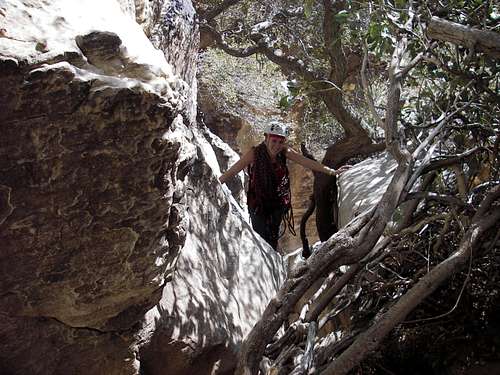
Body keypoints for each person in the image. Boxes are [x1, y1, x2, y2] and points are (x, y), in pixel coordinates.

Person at [219, 122, 350, 251]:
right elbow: (234, 170)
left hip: (277, 205)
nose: (277, 145)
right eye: (274, 140)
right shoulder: (255, 153)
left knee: (272, 239)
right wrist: (218, 182)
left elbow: (306, 162)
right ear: (266, 138)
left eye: (280, 142)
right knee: (260, 238)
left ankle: (271, 266)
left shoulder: (284, 152)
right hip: (258, 204)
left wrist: (332, 171)